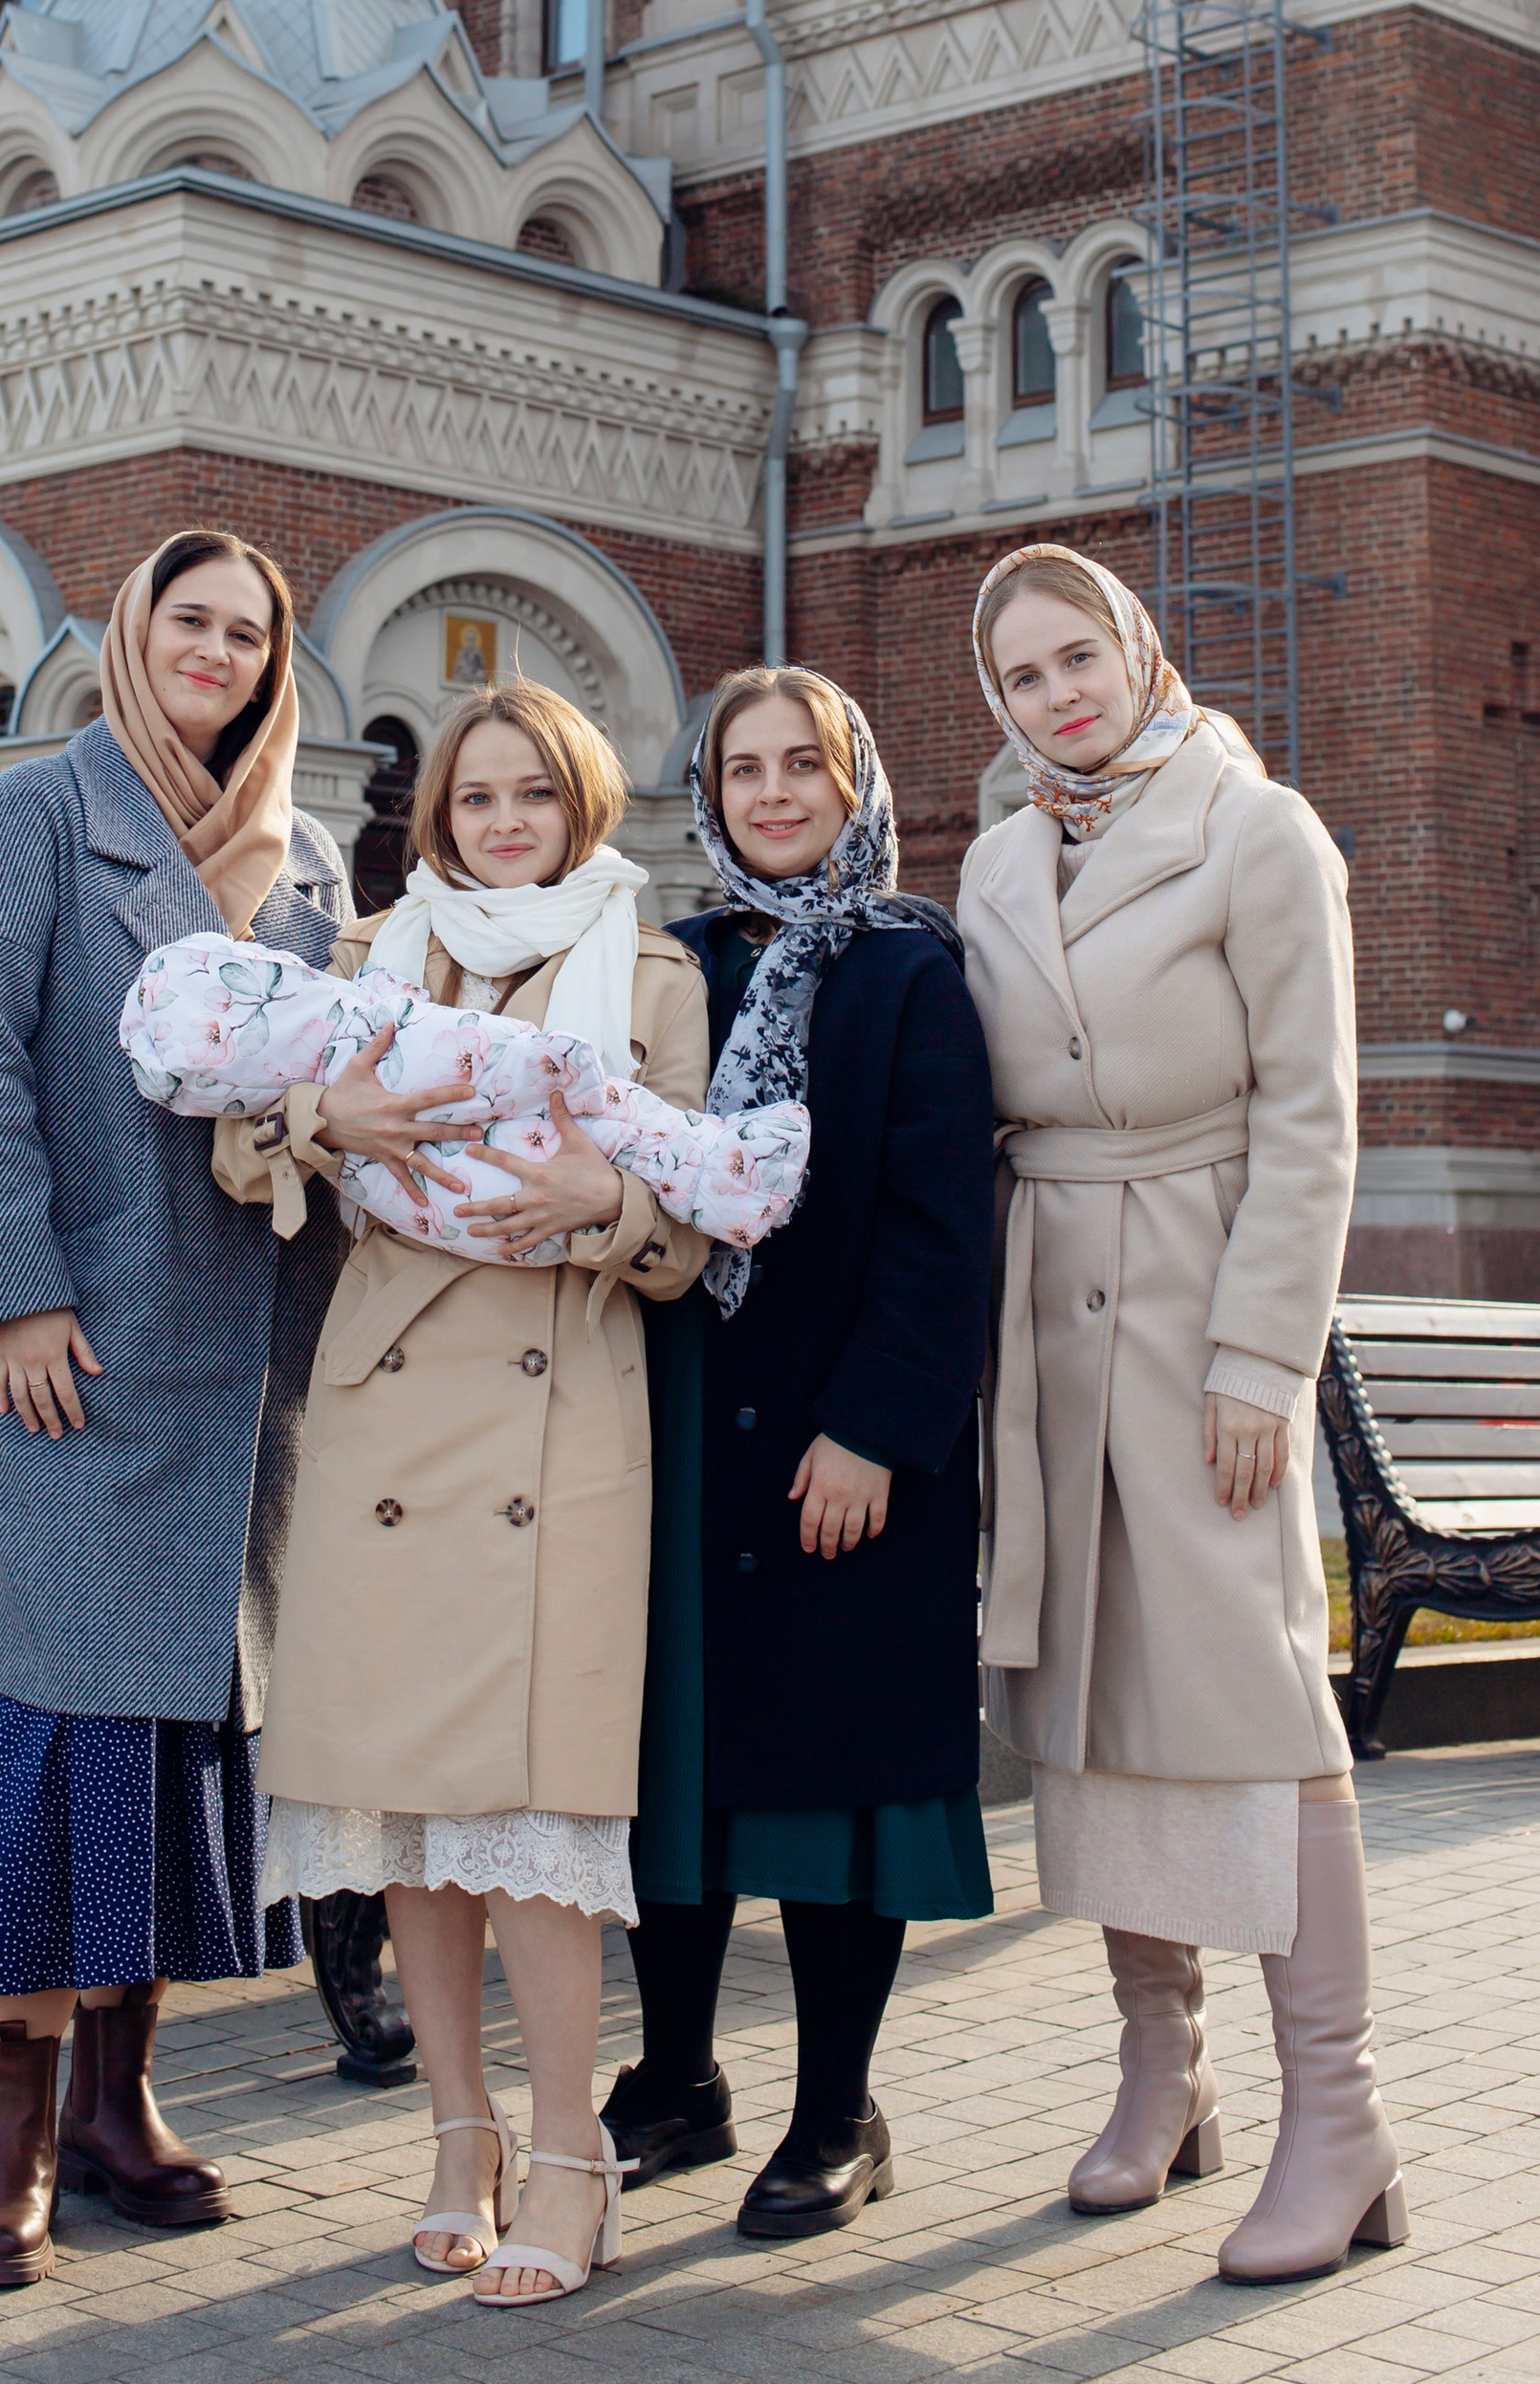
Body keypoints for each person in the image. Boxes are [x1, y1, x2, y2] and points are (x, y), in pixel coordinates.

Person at [219, 680, 708, 2309]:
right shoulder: (367, 957)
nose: (504, 824)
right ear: (435, 817)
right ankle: (458, 2135)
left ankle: (572, 2154)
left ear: (583, 808)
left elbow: (694, 1227)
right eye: (476, 797)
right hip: (380, 1417)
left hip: (558, 1414)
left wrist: (601, 1199)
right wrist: (326, 1113)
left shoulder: (653, 972)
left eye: (534, 796)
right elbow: (238, 1150)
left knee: (534, 1815)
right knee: (409, 1811)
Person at [959, 541, 1405, 2286]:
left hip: (1205, 1298)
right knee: (1088, 1702)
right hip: (1049, 1315)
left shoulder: (1257, 828)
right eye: (1023, 676)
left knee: (1255, 1698)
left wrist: (1259, 1361)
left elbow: (1313, 1113)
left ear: (1141, 653)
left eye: (1080, 657)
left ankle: (1340, 2122)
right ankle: (1166, 2067)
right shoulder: (997, 857)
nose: (1058, 696)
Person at [0, 530, 348, 2292]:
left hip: (252, 1354)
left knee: (182, 1724)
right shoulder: (37, 817)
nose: (219, 654)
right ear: (134, 633)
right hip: (81, 1351)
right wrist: (18, 1291)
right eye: (194, 622)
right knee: (62, 1722)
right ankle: (10, 2125)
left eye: (249, 634)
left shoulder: (305, 856)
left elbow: (337, 1068)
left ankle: (121, 2097)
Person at [603, 666, 997, 2242]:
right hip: (689, 1414)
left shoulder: (911, 974)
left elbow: (942, 1230)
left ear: (853, 785)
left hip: (843, 1433)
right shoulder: (676, 961)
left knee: (840, 1784)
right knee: (678, 1767)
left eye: (801, 766)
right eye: (742, 769)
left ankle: (838, 2108)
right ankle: (676, 2079)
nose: (772, 794)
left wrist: (875, 1429)